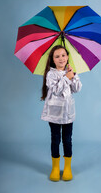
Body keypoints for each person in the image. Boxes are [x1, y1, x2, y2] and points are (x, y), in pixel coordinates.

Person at [41, 45, 82, 181]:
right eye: (57, 56)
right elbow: (56, 90)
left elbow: (77, 89)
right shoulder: (50, 74)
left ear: (67, 57)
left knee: (67, 140)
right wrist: (66, 77)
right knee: (55, 139)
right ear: (52, 60)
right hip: (54, 113)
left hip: (68, 114)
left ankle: (68, 167)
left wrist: (73, 76)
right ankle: (55, 167)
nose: (61, 58)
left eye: (63, 55)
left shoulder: (70, 71)